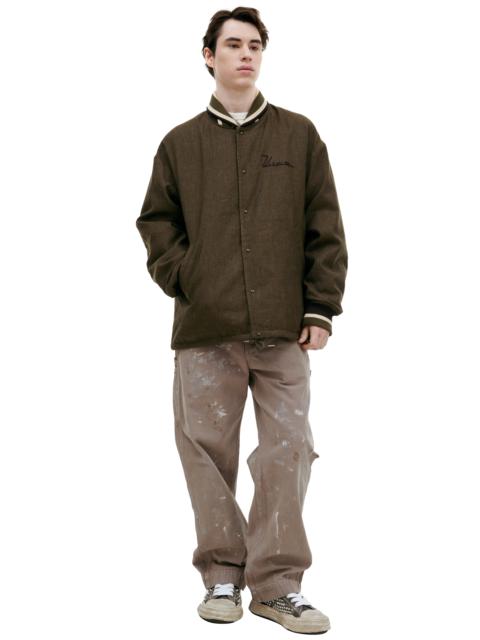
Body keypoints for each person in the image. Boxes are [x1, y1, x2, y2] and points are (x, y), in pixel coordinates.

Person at [136, 6, 348, 635]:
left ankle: (278, 587)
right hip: (206, 331)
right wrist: (189, 279)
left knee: (289, 449)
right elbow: (156, 224)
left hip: (285, 328)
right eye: (233, 45)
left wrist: (320, 306)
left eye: (255, 45)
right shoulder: (179, 143)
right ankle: (222, 576)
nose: (246, 54)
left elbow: (325, 225)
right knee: (206, 453)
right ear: (210, 56)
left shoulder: (299, 135)